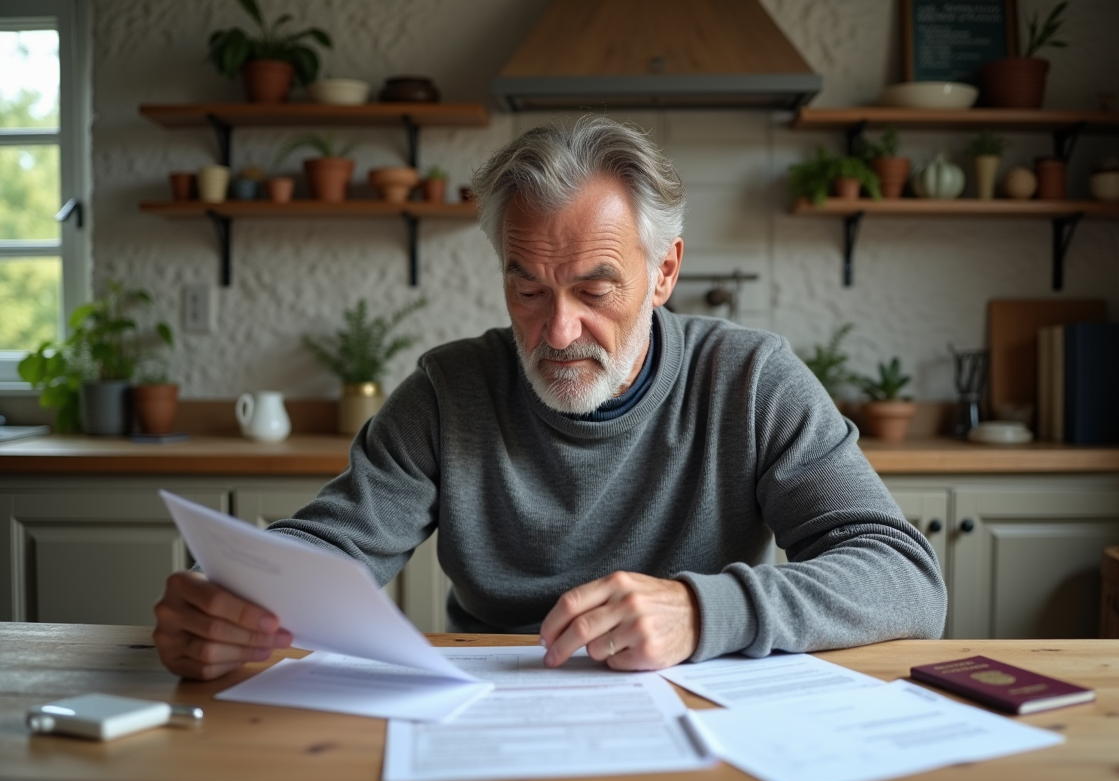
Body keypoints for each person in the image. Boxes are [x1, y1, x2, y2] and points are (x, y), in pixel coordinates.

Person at [153, 116, 946, 680]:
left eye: (594, 287)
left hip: (706, 715)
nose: (558, 329)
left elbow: (905, 579)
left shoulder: (750, 381)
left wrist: (704, 613)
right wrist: (228, 596)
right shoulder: (448, 391)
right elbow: (332, 546)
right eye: (527, 288)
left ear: (665, 272)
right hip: (489, 714)